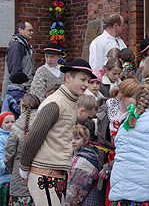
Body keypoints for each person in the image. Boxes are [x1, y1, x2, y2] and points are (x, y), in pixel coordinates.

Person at [19, 58, 96, 206]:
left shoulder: (70, 102)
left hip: (55, 174)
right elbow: (34, 137)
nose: (86, 85)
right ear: (68, 77)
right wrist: (24, 167)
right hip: (44, 173)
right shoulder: (56, 103)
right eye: (83, 79)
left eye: (88, 81)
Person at [4, 93, 40, 206]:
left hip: (19, 178)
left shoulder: (17, 127)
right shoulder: (43, 123)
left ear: (23, 107)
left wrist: (10, 168)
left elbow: (9, 153)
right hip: (40, 178)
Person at [66, 125, 103, 206]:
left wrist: (68, 203)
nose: (73, 141)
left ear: (86, 140)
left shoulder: (83, 161)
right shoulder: (91, 155)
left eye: (77, 138)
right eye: (71, 139)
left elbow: (75, 190)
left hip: (86, 202)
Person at [2, 21, 34, 97]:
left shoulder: (24, 44)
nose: (32, 32)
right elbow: (15, 70)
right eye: (29, 30)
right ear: (20, 30)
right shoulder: (16, 45)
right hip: (16, 91)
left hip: (20, 89)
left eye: (32, 30)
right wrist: (21, 87)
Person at [0, 111, 15, 204]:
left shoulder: (17, 135)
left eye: (13, 122)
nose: (10, 124)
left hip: (16, 180)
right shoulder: (1, 138)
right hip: (5, 179)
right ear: (1, 125)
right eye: (7, 122)